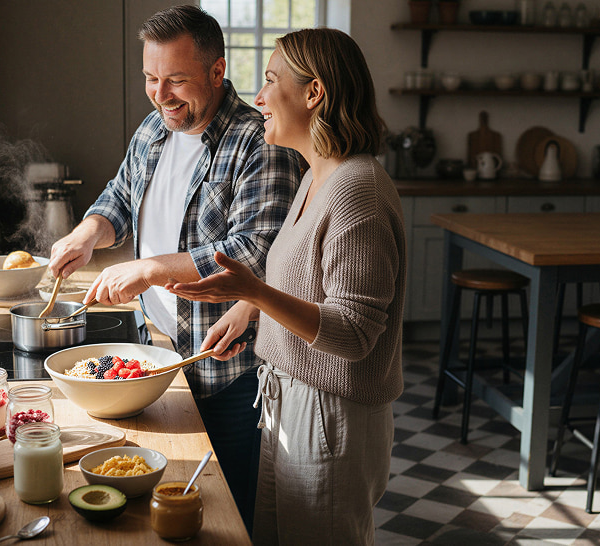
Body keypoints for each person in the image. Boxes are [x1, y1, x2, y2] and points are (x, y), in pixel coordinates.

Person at [47, 5, 301, 532]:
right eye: (150, 78)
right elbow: (122, 194)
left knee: (229, 520)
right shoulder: (155, 127)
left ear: (216, 71)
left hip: (226, 370)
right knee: (164, 514)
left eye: (176, 81)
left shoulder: (259, 142)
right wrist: (87, 233)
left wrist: (152, 268)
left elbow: (258, 250)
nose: (160, 95)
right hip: (158, 351)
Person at [166, 28, 405, 545]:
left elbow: (353, 333)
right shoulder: (315, 177)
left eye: (272, 80)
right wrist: (249, 311)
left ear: (314, 93)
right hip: (289, 398)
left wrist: (254, 293)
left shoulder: (356, 191)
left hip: (331, 415)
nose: (258, 97)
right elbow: (305, 279)